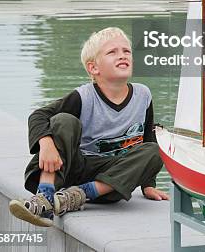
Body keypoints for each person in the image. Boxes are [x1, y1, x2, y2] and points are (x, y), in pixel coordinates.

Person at [9, 27, 168, 227]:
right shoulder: (83, 96)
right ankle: (45, 198)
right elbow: (39, 115)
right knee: (63, 121)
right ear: (93, 68)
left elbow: (147, 138)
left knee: (155, 149)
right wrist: (47, 144)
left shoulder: (143, 95)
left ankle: (76, 196)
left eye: (126, 51)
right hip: (75, 169)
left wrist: (147, 185)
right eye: (112, 52)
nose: (122, 56)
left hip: (108, 183)